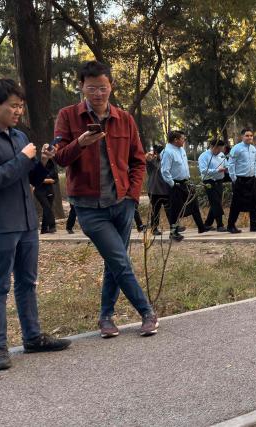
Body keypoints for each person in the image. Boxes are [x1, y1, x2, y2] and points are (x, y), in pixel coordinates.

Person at [0, 78, 71, 370]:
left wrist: (44, 163)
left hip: (26, 221)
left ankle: (33, 336)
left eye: (21, 106)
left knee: (28, 281)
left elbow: (31, 179)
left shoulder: (19, 137)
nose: (18, 111)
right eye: (13, 106)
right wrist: (24, 160)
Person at [54, 60, 159, 338]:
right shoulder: (67, 116)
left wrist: (132, 197)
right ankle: (147, 311)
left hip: (121, 204)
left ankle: (106, 317)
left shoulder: (124, 119)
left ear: (110, 86)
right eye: (91, 88)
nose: (98, 93)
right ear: (81, 87)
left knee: (114, 261)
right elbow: (59, 157)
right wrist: (81, 143)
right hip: (88, 207)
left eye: (102, 87)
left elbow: (137, 161)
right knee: (119, 259)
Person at [160, 130, 208, 241]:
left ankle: (201, 227)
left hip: (186, 182)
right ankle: (174, 232)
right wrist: (173, 184)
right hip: (175, 184)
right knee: (175, 209)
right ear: (175, 140)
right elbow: (164, 171)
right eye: (183, 138)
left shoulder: (181, 149)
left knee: (194, 203)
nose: (184, 140)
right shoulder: (168, 152)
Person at [227, 128, 256, 233]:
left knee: (254, 203)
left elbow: (255, 163)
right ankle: (231, 225)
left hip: (252, 179)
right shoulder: (236, 148)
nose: (249, 137)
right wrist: (234, 178)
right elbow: (231, 164)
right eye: (247, 136)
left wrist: (255, 174)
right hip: (240, 180)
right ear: (242, 137)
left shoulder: (253, 149)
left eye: (251, 136)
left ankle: (254, 225)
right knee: (236, 204)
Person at [198, 139, 228, 232]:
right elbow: (203, 170)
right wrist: (217, 170)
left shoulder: (221, 155)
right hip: (209, 182)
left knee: (216, 202)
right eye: (218, 149)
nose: (220, 151)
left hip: (219, 181)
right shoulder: (204, 156)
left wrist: (226, 168)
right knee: (216, 203)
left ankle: (207, 224)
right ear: (212, 147)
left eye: (221, 149)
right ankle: (220, 225)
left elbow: (226, 165)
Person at [145, 144, 171, 236]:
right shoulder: (152, 162)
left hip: (165, 189)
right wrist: (150, 155)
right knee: (155, 210)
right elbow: (147, 158)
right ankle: (154, 228)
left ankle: (174, 227)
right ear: (157, 154)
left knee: (169, 209)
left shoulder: (167, 161)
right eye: (161, 153)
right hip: (154, 190)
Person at [33, 159, 58, 234]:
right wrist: (46, 180)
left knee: (47, 209)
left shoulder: (52, 168)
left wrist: (51, 181)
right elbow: (34, 179)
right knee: (47, 207)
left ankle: (44, 229)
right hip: (39, 191)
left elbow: (56, 179)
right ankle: (52, 225)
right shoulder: (37, 166)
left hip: (50, 191)